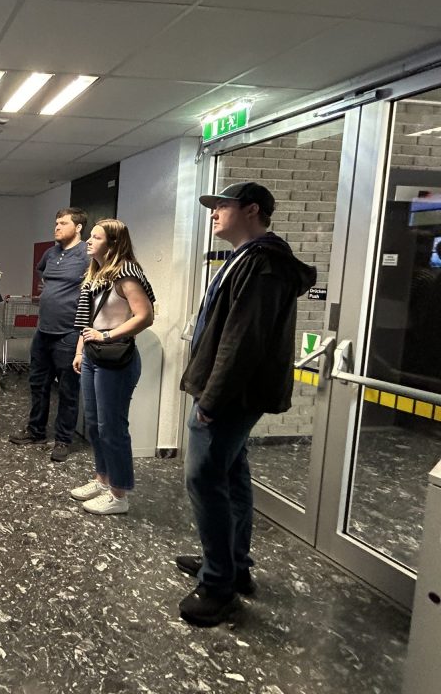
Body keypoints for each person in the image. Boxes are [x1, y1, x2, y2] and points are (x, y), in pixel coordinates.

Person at [177, 181, 315, 627]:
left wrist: (212, 399)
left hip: (230, 395)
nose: (214, 213)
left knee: (204, 479)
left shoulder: (264, 264)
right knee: (232, 475)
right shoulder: (248, 259)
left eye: (223, 206)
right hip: (228, 392)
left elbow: (242, 340)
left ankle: (218, 586)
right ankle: (233, 566)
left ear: (252, 210)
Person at [70, 219, 155, 515]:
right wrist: (81, 350)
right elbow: (89, 320)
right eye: (89, 236)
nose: (88, 242)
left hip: (116, 359)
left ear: (114, 243)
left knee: (112, 428)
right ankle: (102, 480)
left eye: (96, 237)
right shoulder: (96, 274)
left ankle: (119, 495)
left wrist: (106, 335)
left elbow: (144, 316)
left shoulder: (126, 273)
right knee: (94, 425)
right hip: (94, 356)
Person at [10, 208, 90, 462]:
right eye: (56, 223)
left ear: (78, 227)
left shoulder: (87, 254)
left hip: (69, 332)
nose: (56, 227)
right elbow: (41, 272)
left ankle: (63, 440)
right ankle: (36, 431)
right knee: (38, 385)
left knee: (67, 390)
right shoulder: (50, 253)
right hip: (43, 331)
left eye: (63, 223)